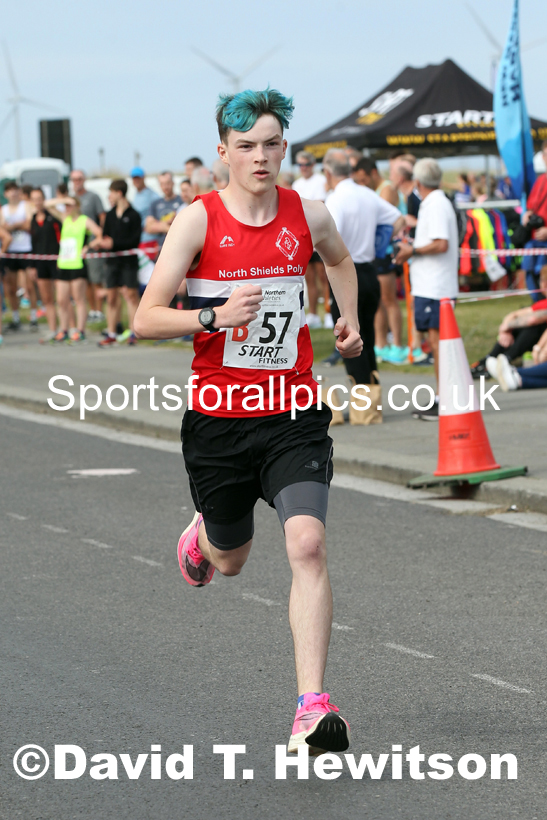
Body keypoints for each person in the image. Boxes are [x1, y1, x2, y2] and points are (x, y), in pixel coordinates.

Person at [134, 87, 362, 756]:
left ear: (283, 146)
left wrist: (350, 325)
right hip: (219, 424)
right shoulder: (196, 221)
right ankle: (203, 538)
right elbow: (144, 319)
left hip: (292, 415)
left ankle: (310, 708)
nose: (260, 157)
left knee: (307, 546)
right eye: (246, 146)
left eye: (271, 143)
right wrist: (211, 317)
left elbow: (340, 260)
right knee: (231, 562)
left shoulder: (307, 214)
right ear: (222, 153)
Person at [322, 149, 404, 415]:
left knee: (349, 341)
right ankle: (371, 403)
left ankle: (362, 406)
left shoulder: (336, 199)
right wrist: (381, 245)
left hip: (347, 271)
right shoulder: (367, 194)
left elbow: (330, 236)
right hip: (370, 269)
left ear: (327, 172)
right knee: (365, 335)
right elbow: (398, 219)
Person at [395, 158, 459, 419]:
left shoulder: (435, 204)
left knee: (438, 343)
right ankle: (443, 396)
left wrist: (413, 249)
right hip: (433, 284)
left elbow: (441, 243)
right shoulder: (435, 203)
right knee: (436, 343)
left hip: (436, 286)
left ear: (418, 183)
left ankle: (445, 398)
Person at [352, 158, 407, 364]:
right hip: (377, 251)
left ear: (373, 172)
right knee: (378, 302)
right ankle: (381, 343)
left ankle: (397, 344)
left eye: (365, 179)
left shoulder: (387, 189)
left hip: (385, 251)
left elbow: (381, 219)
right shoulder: (371, 192)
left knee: (389, 299)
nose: (363, 184)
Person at [471, 268, 547, 379]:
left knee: (531, 327)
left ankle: (503, 361)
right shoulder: (542, 303)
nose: (543, 285)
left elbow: (533, 320)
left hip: (540, 343)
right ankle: (486, 362)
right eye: (542, 280)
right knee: (516, 327)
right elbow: (513, 314)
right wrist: (504, 330)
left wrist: (508, 326)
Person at [45, 195, 103, 342]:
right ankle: (64, 329)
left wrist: (88, 247)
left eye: (70, 205)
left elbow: (100, 234)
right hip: (64, 263)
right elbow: (47, 205)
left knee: (79, 299)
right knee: (62, 299)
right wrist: (63, 200)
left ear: (77, 206)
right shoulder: (65, 218)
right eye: (66, 206)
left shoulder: (85, 220)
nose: (67, 208)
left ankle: (80, 330)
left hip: (77, 264)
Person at [96, 179, 142, 347]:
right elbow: (106, 236)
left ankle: (133, 331)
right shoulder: (109, 214)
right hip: (112, 262)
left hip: (129, 262)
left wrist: (114, 244)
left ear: (119, 193)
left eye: (111, 192)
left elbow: (134, 241)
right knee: (112, 297)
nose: (110, 196)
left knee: (131, 296)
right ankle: (111, 333)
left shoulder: (134, 215)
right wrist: (105, 243)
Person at [292, 151, 330, 329]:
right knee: (309, 278)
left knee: (324, 276)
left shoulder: (320, 180)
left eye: (306, 164)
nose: (303, 168)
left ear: (312, 165)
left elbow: (319, 206)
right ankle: (314, 313)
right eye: (300, 165)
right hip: (303, 234)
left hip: (317, 232)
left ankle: (329, 312)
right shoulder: (297, 184)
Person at [69, 169, 106, 321]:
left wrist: (100, 238)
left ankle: (100, 311)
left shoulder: (93, 197)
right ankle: (92, 311)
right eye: (74, 179)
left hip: (92, 245)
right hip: (77, 247)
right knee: (87, 281)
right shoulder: (71, 201)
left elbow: (102, 217)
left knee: (96, 279)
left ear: (84, 180)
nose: (77, 181)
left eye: (79, 178)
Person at [0, 181, 34, 330]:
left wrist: (13, 226)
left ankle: (33, 317)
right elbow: (2, 229)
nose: (13, 193)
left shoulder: (25, 206)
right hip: (10, 251)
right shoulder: (4, 210)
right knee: (11, 287)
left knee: (30, 285)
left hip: (26, 248)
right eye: (10, 191)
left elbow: (29, 225)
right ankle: (15, 317)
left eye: (15, 190)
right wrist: (19, 224)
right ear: (5, 194)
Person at [29, 187, 62, 339]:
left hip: (56, 260)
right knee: (47, 298)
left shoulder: (53, 216)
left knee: (61, 298)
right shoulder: (33, 219)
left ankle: (65, 328)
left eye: (39, 198)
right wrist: (33, 265)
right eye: (34, 199)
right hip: (40, 262)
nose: (37, 202)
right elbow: (33, 243)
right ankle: (52, 329)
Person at [144, 172, 182, 253]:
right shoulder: (155, 204)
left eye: (168, 183)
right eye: (162, 184)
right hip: (162, 249)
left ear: (173, 183)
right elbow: (148, 227)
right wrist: (167, 226)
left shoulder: (182, 201)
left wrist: (158, 224)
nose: (165, 187)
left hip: (180, 247)